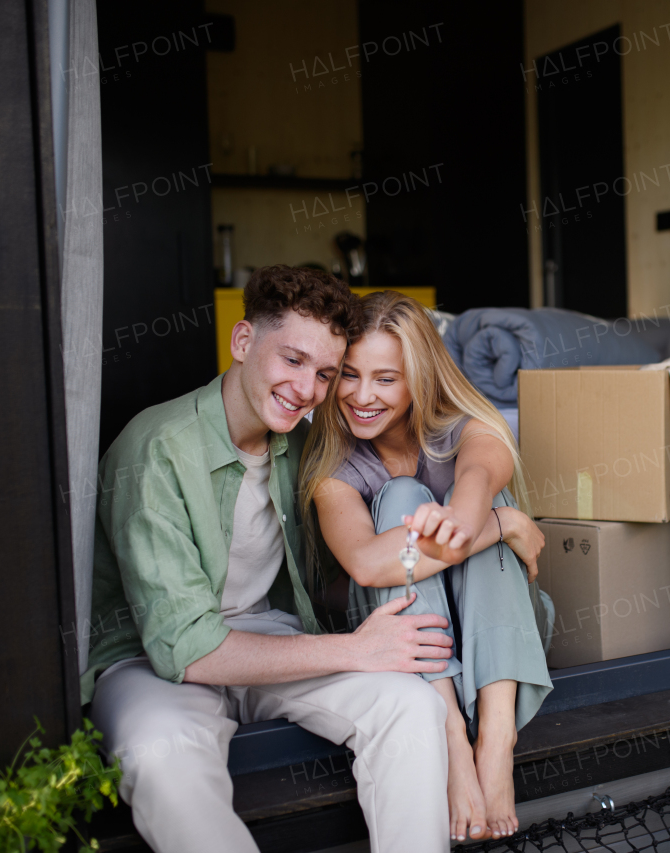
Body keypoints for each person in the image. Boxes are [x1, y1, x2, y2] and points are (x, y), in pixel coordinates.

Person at [82, 267, 455, 853]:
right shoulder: (156, 448)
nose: (307, 388)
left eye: (325, 373)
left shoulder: (307, 444)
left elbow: (450, 434)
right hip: (150, 659)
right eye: (293, 360)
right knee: (163, 756)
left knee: (409, 705)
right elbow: (185, 647)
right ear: (243, 342)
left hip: (268, 635)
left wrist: (496, 520)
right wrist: (356, 648)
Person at [302, 291, 554, 843]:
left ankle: (495, 739)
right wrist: (504, 523)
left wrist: (486, 515)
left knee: (458, 507)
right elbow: (368, 566)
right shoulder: (333, 468)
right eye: (348, 374)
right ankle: (451, 742)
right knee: (400, 500)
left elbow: (469, 500)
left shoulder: (469, 429)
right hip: (399, 643)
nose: (361, 396)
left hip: (499, 633)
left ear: (420, 378)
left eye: (385, 379)